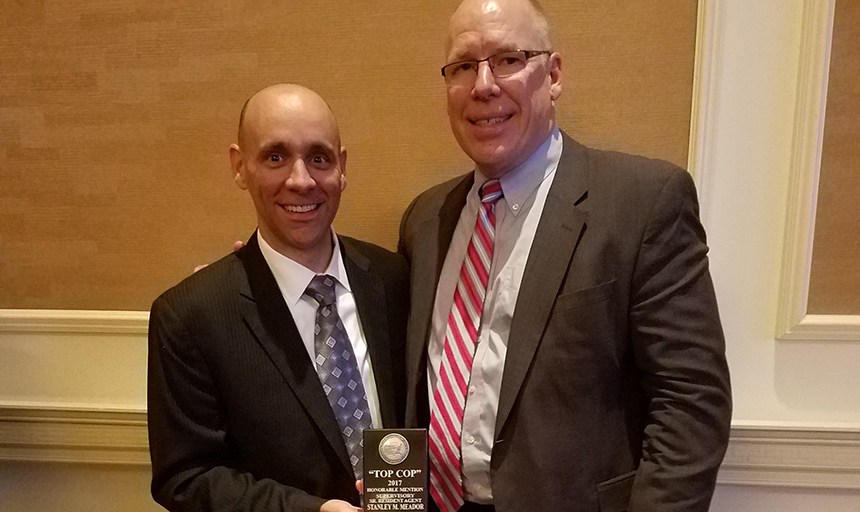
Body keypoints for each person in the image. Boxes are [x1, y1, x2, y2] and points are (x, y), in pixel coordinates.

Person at [397, 1, 733, 511]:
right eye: (464, 65)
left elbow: (691, 403)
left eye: (509, 59)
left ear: (552, 74)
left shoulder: (643, 202)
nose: (484, 85)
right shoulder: (425, 219)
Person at [147, 84, 409, 512]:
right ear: (240, 166)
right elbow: (187, 477)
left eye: (319, 158)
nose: (300, 180)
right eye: (275, 157)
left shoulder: (394, 279)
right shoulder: (191, 315)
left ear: (341, 168)